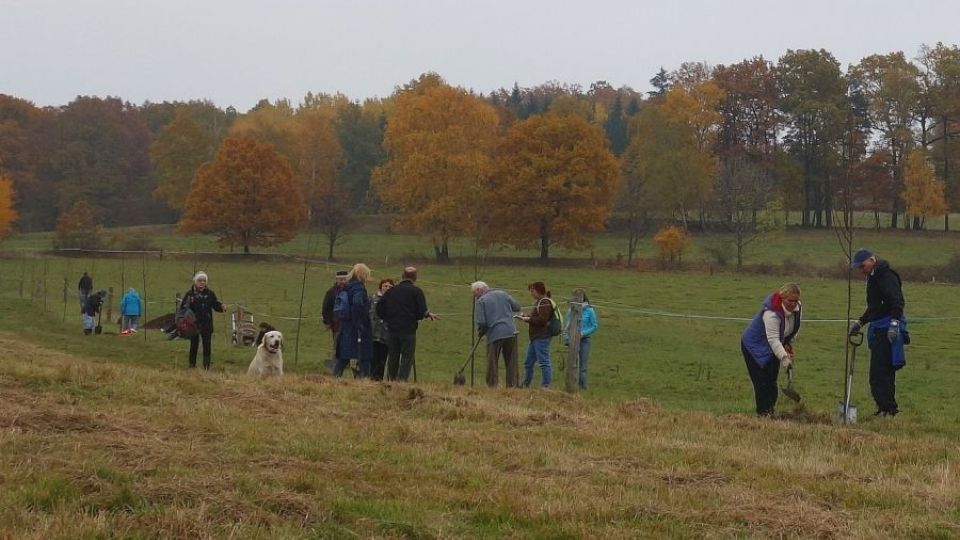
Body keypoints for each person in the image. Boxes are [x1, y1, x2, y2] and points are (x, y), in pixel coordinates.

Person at [848, 248, 908, 418]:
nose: (861, 270)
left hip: (887, 330)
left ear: (872, 260)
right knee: (882, 372)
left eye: (862, 266)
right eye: (858, 267)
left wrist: (895, 323)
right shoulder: (873, 278)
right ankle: (885, 408)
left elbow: (897, 300)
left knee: (880, 373)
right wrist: (861, 322)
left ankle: (887, 409)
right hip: (879, 328)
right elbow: (875, 307)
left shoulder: (886, 276)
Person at [740, 283, 802, 416]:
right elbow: (773, 339)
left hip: (774, 344)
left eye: (796, 301)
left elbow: (792, 328)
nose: (793, 304)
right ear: (782, 298)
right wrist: (785, 358)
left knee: (772, 379)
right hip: (754, 346)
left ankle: (770, 411)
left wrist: (787, 344)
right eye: (790, 301)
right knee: (761, 381)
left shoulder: (797, 309)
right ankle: (762, 413)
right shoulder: (772, 313)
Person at [376, 266, 439, 381]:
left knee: (393, 356)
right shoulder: (416, 292)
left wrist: (388, 319)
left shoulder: (391, 291)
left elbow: (379, 309)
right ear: (415, 278)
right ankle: (401, 381)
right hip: (408, 330)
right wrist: (420, 316)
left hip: (392, 329)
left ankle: (391, 380)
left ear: (402, 276)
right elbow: (421, 312)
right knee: (406, 357)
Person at [472, 281, 522, 388]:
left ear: (479, 290)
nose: (475, 297)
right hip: (511, 332)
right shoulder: (503, 294)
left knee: (492, 361)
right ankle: (512, 385)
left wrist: (481, 332)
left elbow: (482, 323)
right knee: (511, 361)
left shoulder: (481, 301)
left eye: (474, 294)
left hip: (495, 334)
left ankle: (492, 386)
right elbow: (517, 307)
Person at [333, 264, 374, 378]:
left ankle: (335, 376)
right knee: (365, 354)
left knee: (344, 354)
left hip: (346, 325)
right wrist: (359, 322)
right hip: (358, 327)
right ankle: (366, 378)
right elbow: (357, 303)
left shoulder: (348, 286)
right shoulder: (359, 288)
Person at [180, 271, 225, 369]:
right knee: (194, 345)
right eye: (199, 280)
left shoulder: (210, 294)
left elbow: (216, 306)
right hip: (193, 324)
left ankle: (206, 366)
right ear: (195, 282)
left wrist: (221, 307)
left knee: (207, 346)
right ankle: (192, 365)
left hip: (206, 324)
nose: (202, 282)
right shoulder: (190, 294)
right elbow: (183, 308)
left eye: (204, 280)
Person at [518, 281, 555, 388]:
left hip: (542, 337)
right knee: (528, 362)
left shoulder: (545, 302)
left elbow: (543, 320)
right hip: (535, 337)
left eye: (532, 291)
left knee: (543, 362)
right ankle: (525, 385)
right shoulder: (539, 302)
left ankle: (545, 386)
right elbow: (537, 316)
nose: (531, 293)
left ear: (539, 291)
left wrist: (528, 319)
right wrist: (526, 317)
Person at [562, 288, 599, 390]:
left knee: (583, 365)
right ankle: (571, 385)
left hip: (584, 340)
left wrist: (583, 333)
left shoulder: (590, 311)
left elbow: (594, 325)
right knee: (572, 362)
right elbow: (566, 326)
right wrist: (567, 338)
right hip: (572, 339)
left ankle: (582, 387)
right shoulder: (571, 310)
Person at [370, 278, 395, 381]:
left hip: (386, 335)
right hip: (373, 333)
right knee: (373, 358)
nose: (387, 288)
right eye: (385, 286)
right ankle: (369, 378)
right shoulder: (373, 298)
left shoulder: (393, 301)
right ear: (380, 286)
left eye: (390, 286)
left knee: (382, 359)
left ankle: (378, 380)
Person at [322, 270, 349, 344]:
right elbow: (326, 307)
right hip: (336, 325)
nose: (343, 281)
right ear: (337, 280)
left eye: (345, 279)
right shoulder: (331, 292)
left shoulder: (351, 291)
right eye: (341, 279)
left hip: (349, 324)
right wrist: (327, 322)